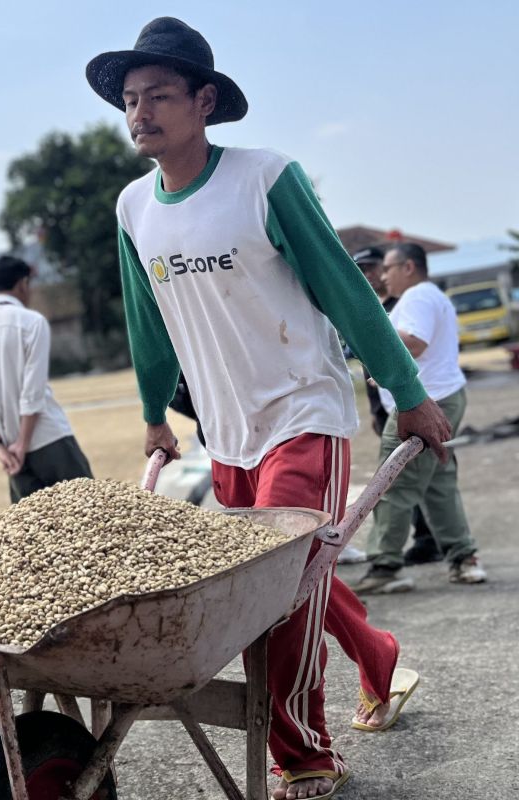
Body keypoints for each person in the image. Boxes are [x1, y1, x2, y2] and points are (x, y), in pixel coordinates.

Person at [87, 18, 450, 799]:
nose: (139, 113)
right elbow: (145, 318)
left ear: (204, 101)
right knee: (277, 581)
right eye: (129, 99)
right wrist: (156, 414)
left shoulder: (263, 176)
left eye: (158, 96)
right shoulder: (132, 208)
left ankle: (306, 753)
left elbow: (346, 293)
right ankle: (377, 654)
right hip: (225, 430)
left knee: (275, 598)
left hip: (301, 413)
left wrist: (409, 396)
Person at [354, 243, 486, 592]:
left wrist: (365, 334)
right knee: (438, 482)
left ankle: (384, 565)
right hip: (443, 397)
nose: (383, 276)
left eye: (389, 268)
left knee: (393, 483)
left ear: (409, 267)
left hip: (422, 404)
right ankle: (463, 557)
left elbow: (413, 343)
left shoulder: (417, 297)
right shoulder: (429, 295)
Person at [0, 255, 93, 502]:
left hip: (12, 455)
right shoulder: (32, 322)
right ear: (22, 284)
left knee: (32, 536)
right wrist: (23, 442)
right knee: (90, 517)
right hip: (49, 439)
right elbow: (33, 392)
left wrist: (0, 448)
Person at [351, 246, 439, 570]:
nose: (372, 274)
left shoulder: (403, 306)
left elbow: (414, 345)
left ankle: (406, 551)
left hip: (414, 400)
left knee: (408, 478)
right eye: (364, 268)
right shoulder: (365, 307)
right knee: (410, 475)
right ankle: (428, 539)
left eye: (376, 267)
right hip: (383, 404)